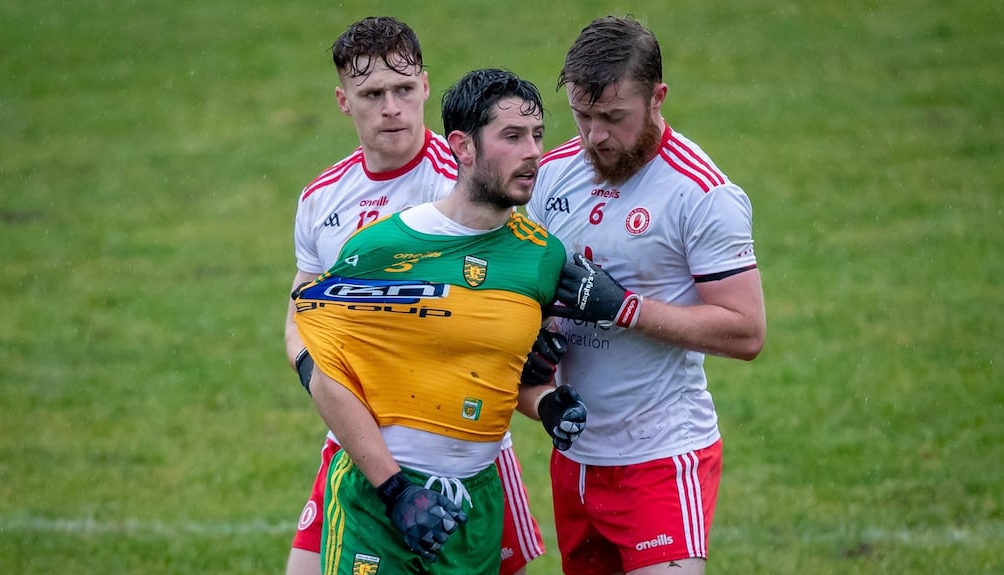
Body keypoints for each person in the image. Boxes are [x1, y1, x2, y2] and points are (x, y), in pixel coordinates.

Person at [292, 67, 586, 574]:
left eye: (538, 135)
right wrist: (395, 489)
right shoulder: (380, 250)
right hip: (378, 502)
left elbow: (503, 374)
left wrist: (549, 404)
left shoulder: (542, 258)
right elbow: (324, 376)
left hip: (474, 505)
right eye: (512, 137)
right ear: (463, 147)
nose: (533, 152)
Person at [524, 15, 768, 575]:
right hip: (575, 459)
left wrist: (625, 308)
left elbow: (746, 330)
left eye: (613, 118)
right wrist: (531, 334)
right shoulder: (553, 175)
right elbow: (523, 284)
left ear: (657, 97)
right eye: (582, 116)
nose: (595, 136)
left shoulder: (702, 194)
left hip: (661, 460)